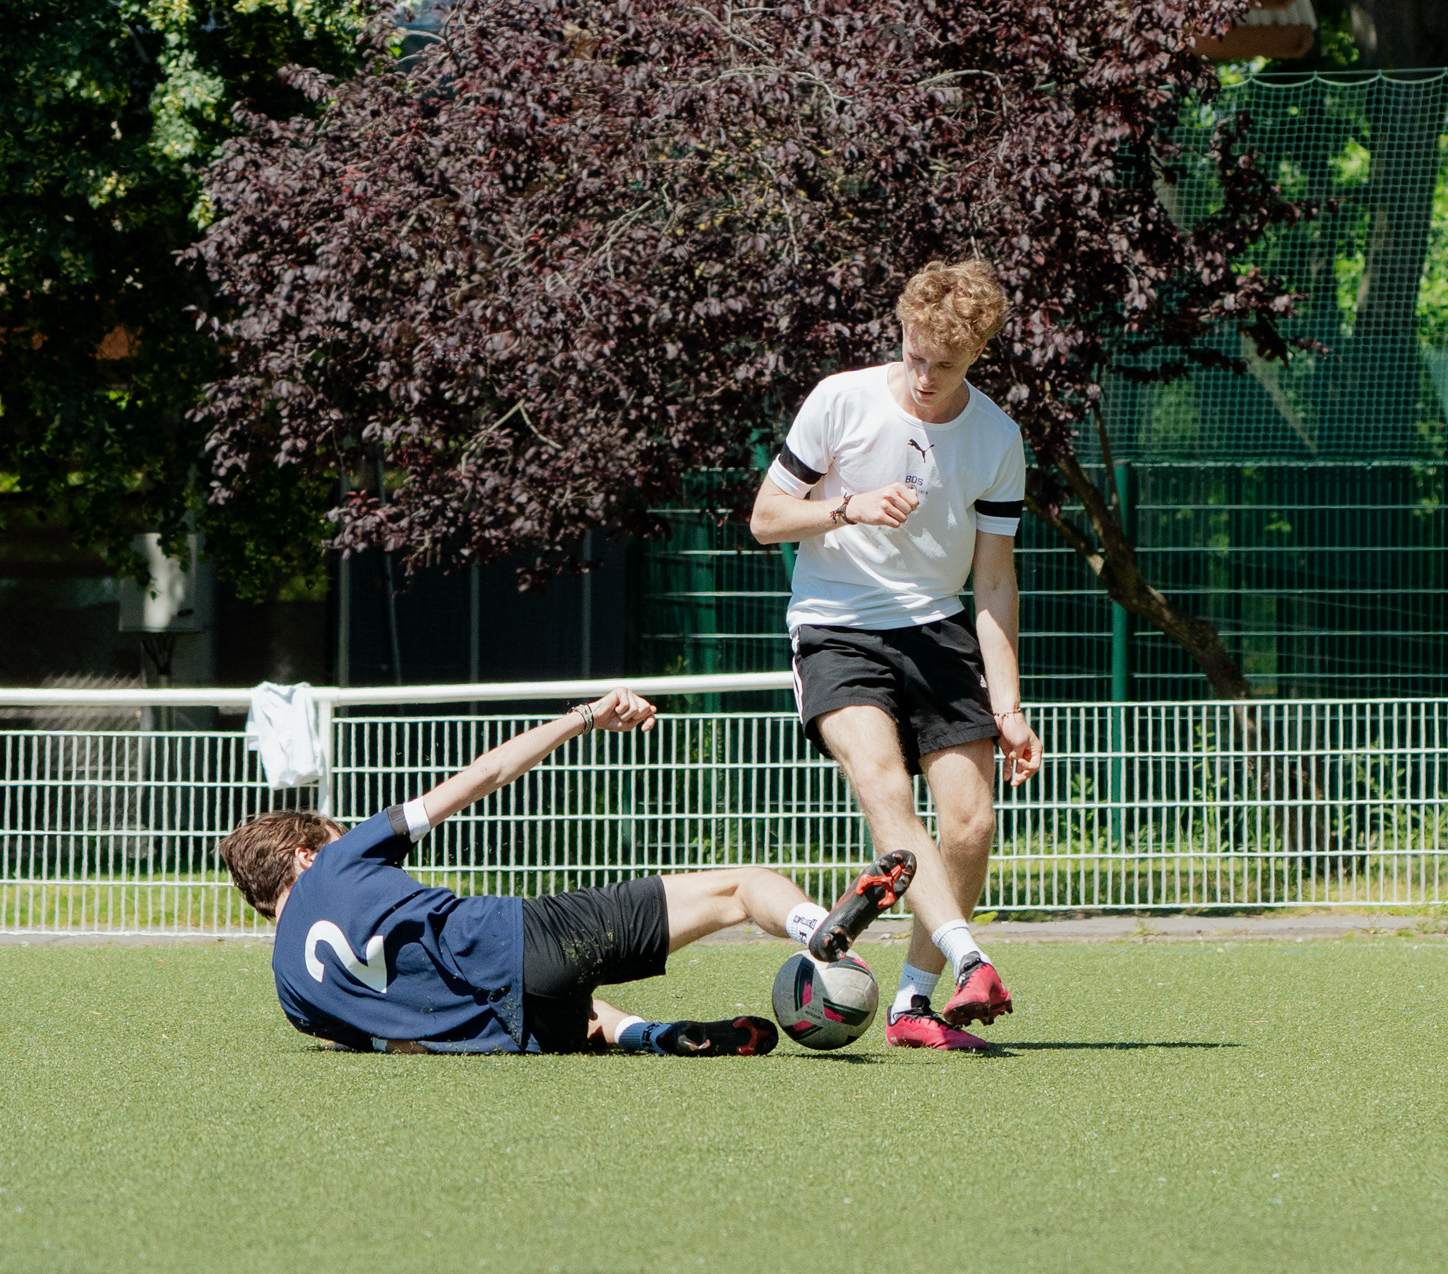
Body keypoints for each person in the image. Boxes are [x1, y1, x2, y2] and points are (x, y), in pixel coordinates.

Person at [217, 687, 915, 1056]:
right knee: (741, 887)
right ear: (305, 855)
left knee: (583, 1017)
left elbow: (398, 1042)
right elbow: (481, 776)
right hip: (526, 938)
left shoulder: (293, 995)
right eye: (332, 835)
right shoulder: (338, 860)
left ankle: (646, 1035)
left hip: (507, 1030)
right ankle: (815, 926)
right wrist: (582, 718)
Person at [751, 259, 1044, 1051]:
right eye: (914, 356)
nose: (923, 377)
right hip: (834, 625)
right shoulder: (840, 399)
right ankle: (970, 957)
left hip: (936, 630)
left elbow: (994, 581)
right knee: (884, 785)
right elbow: (766, 518)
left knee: (971, 823)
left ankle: (913, 1004)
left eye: (943, 366)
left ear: (977, 353)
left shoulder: (997, 439)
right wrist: (847, 507)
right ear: (902, 331)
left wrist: (1010, 707)